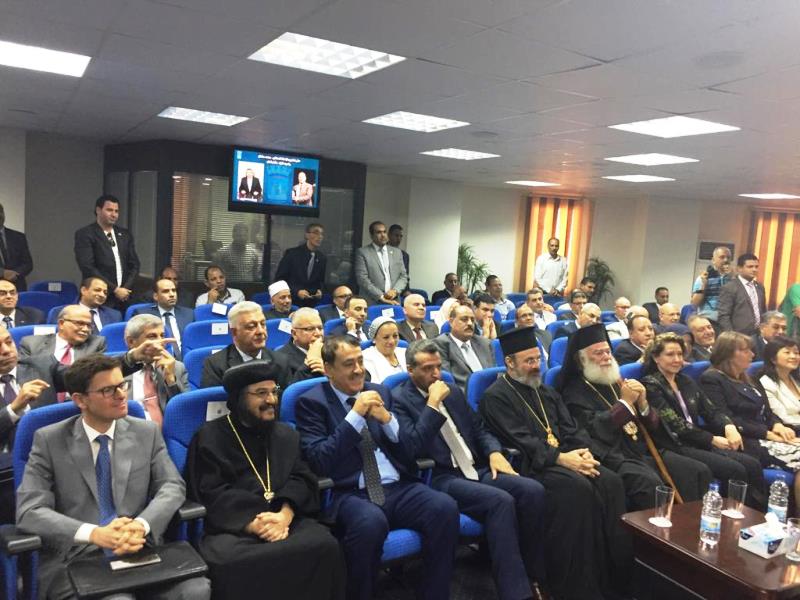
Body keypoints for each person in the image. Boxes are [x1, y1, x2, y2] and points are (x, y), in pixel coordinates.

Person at [16, 354, 211, 600]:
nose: (121, 395)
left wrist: (141, 525)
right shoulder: (49, 440)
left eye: (122, 385)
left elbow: (172, 486)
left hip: (138, 548)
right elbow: (29, 511)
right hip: (76, 558)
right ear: (80, 400)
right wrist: (95, 534)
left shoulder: (146, 432)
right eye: (108, 390)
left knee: (196, 589)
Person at [295, 335, 460, 600]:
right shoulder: (311, 402)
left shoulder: (380, 392)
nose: (358, 369)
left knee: (444, 507)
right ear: (328, 370)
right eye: (348, 364)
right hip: (349, 492)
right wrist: (355, 416)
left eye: (360, 361)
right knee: (370, 523)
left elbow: (409, 450)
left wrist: (388, 421)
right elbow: (320, 460)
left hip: (397, 486)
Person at [479, 327, 631, 600]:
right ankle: (573, 587)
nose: (536, 366)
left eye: (538, 359)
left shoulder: (546, 391)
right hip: (531, 466)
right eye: (529, 361)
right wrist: (562, 458)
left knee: (611, 481)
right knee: (578, 489)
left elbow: (571, 429)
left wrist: (583, 453)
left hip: (564, 458)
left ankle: (612, 580)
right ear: (510, 362)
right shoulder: (495, 396)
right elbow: (521, 440)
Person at [392, 339, 547, 600]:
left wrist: (494, 452)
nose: (436, 374)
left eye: (438, 367)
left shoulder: (452, 390)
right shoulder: (399, 400)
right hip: (439, 476)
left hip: (475, 468)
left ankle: (535, 576)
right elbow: (412, 447)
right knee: (500, 501)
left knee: (532, 491)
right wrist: (432, 405)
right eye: (428, 369)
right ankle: (516, 593)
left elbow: (479, 428)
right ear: (410, 370)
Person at [187, 361, 344, 600]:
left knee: (325, 545)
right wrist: (254, 523)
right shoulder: (209, 437)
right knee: (230, 563)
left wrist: (285, 515)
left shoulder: (285, 434)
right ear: (239, 398)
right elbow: (211, 491)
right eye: (261, 393)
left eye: (274, 391)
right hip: (235, 527)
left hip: (285, 519)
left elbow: (302, 477)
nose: (271, 400)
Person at [559, 325, 712, 506]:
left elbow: (652, 425)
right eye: (598, 353)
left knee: (697, 470)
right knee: (650, 483)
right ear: (581, 360)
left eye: (608, 351)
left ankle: (688, 521)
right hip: (613, 455)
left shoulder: (614, 380)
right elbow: (594, 429)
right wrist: (624, 404)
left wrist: (643, 403)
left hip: (641, 449)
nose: (606, 357)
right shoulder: (573, 392)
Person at [642, 332, 766, 507]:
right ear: (656, 358)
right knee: (734, 469)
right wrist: (711, 439)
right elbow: (675, 424)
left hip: (696, 440)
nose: (677, 359)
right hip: (675, 444)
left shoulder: (685, 381)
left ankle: (757, 515)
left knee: (752, 464)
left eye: (680, 354)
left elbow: (711, 410)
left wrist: (728, 426)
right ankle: (730, 515)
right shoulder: (651, 385)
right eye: (670, 354)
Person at [700, 331, 800, 510]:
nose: (753, 355)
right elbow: (726, 418)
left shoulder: (749, 378)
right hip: (746, 440)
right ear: (729, 354)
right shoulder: (712, 379)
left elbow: (767, 410)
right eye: (746, 351)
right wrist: (767, 434)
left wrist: (777, 424)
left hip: (767, 436)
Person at [201, 302, 290, 388]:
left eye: (263, 324)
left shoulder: (280, 360)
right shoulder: (215, 365)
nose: (260, 331)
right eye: (251, 326)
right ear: (234, 332)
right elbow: (216, 397)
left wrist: (275, 389)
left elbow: (281, 388)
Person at [74, 194, 140, 310]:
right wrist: (115, 289)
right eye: (109, 210)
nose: (114, 214)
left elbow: (135, 264)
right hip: (99, 296)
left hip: (125, 297)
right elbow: (87, 266)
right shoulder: (85, 234)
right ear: (98, 210)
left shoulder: (125, 234)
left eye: (116, 211)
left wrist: (125, 289)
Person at [123, 314, 188, 424]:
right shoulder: (116, 370)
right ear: (131, 342)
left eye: (162, 336)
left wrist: (170, 379)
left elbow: (184, 411)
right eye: (152, 337)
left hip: (167, 429)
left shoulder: (177, 367)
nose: (160, 342)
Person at [433, 303, 495, 391]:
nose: (470, 323)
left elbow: (494, 373)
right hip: (463, 394)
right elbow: (447, 382)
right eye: (464, 319)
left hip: (491, 392)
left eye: (472, 320)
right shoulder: (440, 344)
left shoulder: (484, 343)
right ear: (451, 322)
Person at [131, 278, 194, 359]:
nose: (172, 294)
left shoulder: (189, 314)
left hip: (185, 361)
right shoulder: (143, 314)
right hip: (156, 359)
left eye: (174, 290)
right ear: (156, 296)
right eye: (166, 291)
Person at [19, 305, 107, 364]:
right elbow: (25, 374)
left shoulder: (96, 343)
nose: (85, 329)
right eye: (79, 323)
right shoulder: (31, 344)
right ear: (61, 324)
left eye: (89, 325)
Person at [354, 221, 408, 305]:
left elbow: (403, 276)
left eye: (384, 232)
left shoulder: (397, 252)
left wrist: (395, 290)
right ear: (371, 235)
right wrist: (381, 296)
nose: (383, 235)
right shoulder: (363, 252)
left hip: (394, 300)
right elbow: (362, 279)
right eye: (378, 232)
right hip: (372, 301)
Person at [274, 223, 326, 307]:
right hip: (292, 302)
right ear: (307, 235)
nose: (320, 236)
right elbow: (280, 280)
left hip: (311, 303)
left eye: (321, 234)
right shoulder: (292, 254)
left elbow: (321, 282)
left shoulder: (322, 258)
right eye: (316, 233)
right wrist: (296, 292)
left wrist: (320, 291)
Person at [718, 253, 767, 336]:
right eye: (750, 267)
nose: (754, 269)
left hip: (757, 335)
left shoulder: (760, 287)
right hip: (737, 335)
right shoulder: (730, 287)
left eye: (756, 267)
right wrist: (730, 336)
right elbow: (723, 315)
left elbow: (763, 311)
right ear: (739, 268)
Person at [759, 336, 800, 431]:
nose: (793, 356)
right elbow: (782, 417)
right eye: (787, 352)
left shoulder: (796, 379)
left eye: (796, 353)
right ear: (773, 359)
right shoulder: (766, 384)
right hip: (790, 430)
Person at [276, 307, 325, 382]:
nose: (318, 333)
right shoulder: (279, 359)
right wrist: (307, 364)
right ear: (294, 333)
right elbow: (285, 387)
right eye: (310, 329)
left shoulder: (331, 349)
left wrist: (330, 373)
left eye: (320, 328)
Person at [691, 246, 732, 327]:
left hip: (728, 320)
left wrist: (732, 277)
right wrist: (704, 285)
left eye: (728, 257)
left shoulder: (734, 278)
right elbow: (695, 303)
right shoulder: (703, 278)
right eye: (722, 257)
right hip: (708, 320)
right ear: (713, 260)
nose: (726, 260)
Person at [0, 203, 33, 290]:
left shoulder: (18, 237)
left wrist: (15, 273)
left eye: (1, 212)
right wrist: (2, 273)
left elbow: (28, 263)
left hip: (17, 287)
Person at [362, 317, 405, 384]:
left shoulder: (405, 352)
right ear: (374, 339)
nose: (392, 341)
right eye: (386, 337)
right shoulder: (365, 359)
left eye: (395, 336)